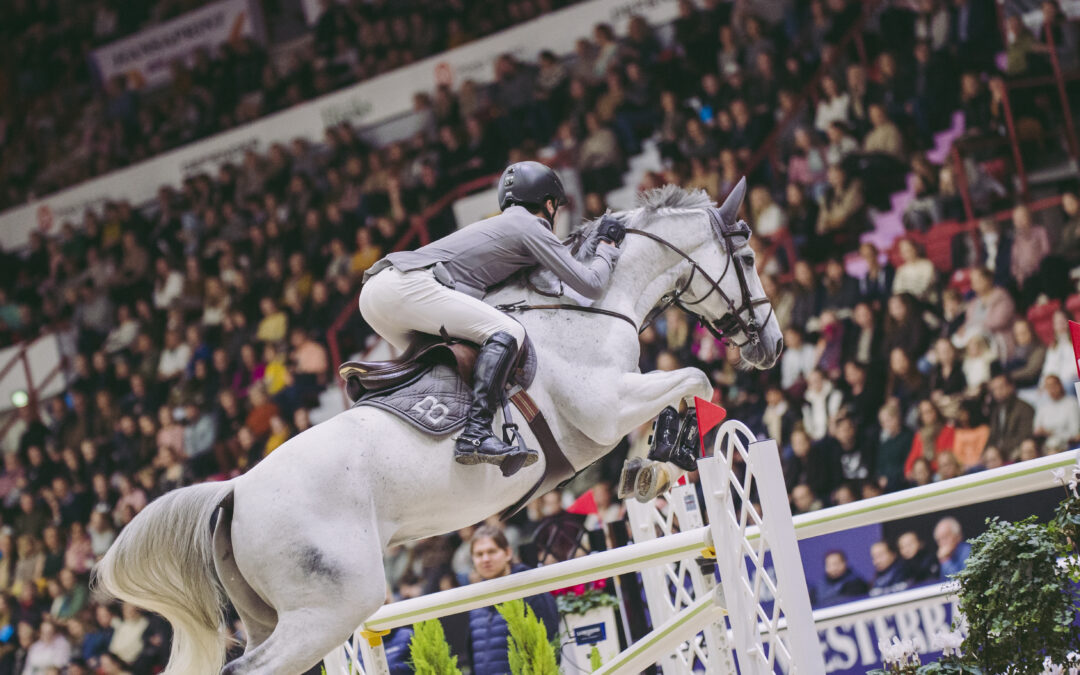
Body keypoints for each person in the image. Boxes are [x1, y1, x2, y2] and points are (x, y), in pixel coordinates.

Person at [359, 162, 624, 472]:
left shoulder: (507, 227)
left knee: (455, 362)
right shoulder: (530, 225)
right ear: (550, 204)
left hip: (377, 296)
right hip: (408, 286)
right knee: (509, 332)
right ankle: (476, 434)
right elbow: (591, 285)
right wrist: (607, 247)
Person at [467, 525, 559, 674]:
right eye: (479, 554)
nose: (485, 559)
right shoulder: (475, 601)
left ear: (508, 553)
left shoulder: (531, 590)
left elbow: (549, 647)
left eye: (492, 551)